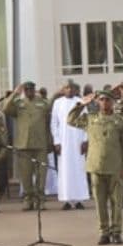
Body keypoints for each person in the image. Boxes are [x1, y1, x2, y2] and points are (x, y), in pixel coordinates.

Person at [69, 90, 123, 244]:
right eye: (102, 99)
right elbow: (70, 120)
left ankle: (116, 232)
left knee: (117, 202)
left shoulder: (120, 121)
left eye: (108, 99)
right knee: (100, 202)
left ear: (113, 102)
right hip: (96, 166)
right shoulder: (90, 118)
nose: (105, 102)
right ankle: (104, 232)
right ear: (97, 102)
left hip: (115, 166)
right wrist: (81, 104)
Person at [1, 81, 53, 211]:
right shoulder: (18, 103)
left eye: (31, 89)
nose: (29, 92)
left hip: (40, 144)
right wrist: (14, 93)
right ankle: (28, 199)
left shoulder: (42, 103)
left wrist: (50, 142)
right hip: (23, 144)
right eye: (27, 90)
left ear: (34, 90)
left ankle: (40, 200)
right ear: (24, 91)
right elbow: (5, 108)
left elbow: (50, 117)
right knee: (25, 175)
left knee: (41, 174)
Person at [51, 82, 89, 210]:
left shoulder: (81, 102)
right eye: (67, 88)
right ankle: (66, 199)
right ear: (63, 90)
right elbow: (54, 123)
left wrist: (85, 140)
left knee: (79, 169)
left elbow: (86, 122)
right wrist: (56, 142)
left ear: (75, 90)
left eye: (72, 88)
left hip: (78, 141)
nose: (69, 90)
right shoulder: (58, 103)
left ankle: (79, 199)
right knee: (65, 170)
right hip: (64, 142)